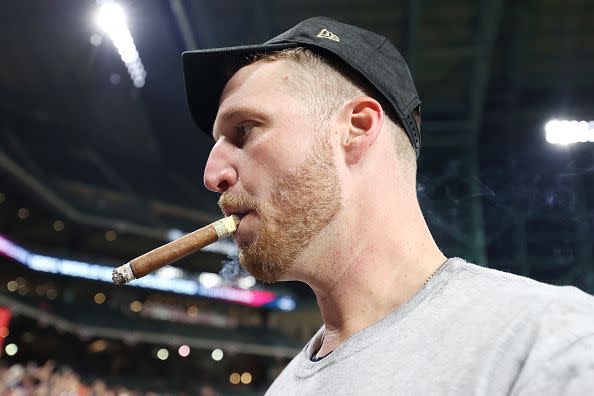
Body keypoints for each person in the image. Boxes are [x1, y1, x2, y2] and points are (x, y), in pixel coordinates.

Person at [182, 16, 594, 395]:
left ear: (357, 128)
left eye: (244, 131)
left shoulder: (552, 341)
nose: (212, 174)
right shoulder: (285, 387)